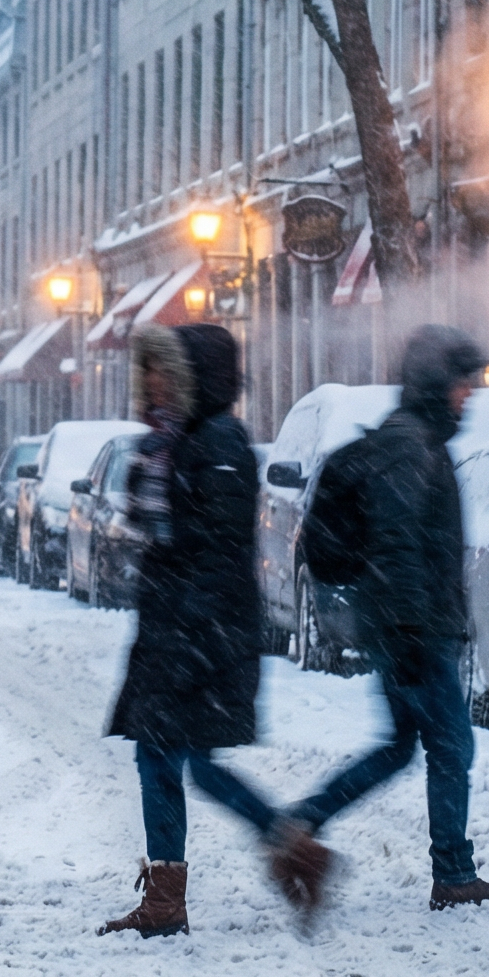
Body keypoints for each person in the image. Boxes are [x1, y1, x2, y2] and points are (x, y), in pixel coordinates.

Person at [273, 324, 489, 924]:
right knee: (451, 745)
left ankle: (302, 822)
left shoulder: (415, 439)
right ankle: (454, 873)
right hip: (414, 630)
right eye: (465, 385)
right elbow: (398, 545)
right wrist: (411, 633)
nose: (470, 397)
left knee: (400, 748)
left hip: (408, 625)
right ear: (440, 385)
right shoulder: (412, 445)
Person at [99, 323, 295, 938]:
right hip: (175, 625)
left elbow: (217, 550)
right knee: (164, 758)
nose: (153, 380)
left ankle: (290, 850)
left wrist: (193, 637)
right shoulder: (176, 440)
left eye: (165, 369)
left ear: (191, 376)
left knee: (182, 761)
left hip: (200, 630)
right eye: (148, 369)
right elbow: (160, 527)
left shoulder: (219, 441)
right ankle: (176, 894)